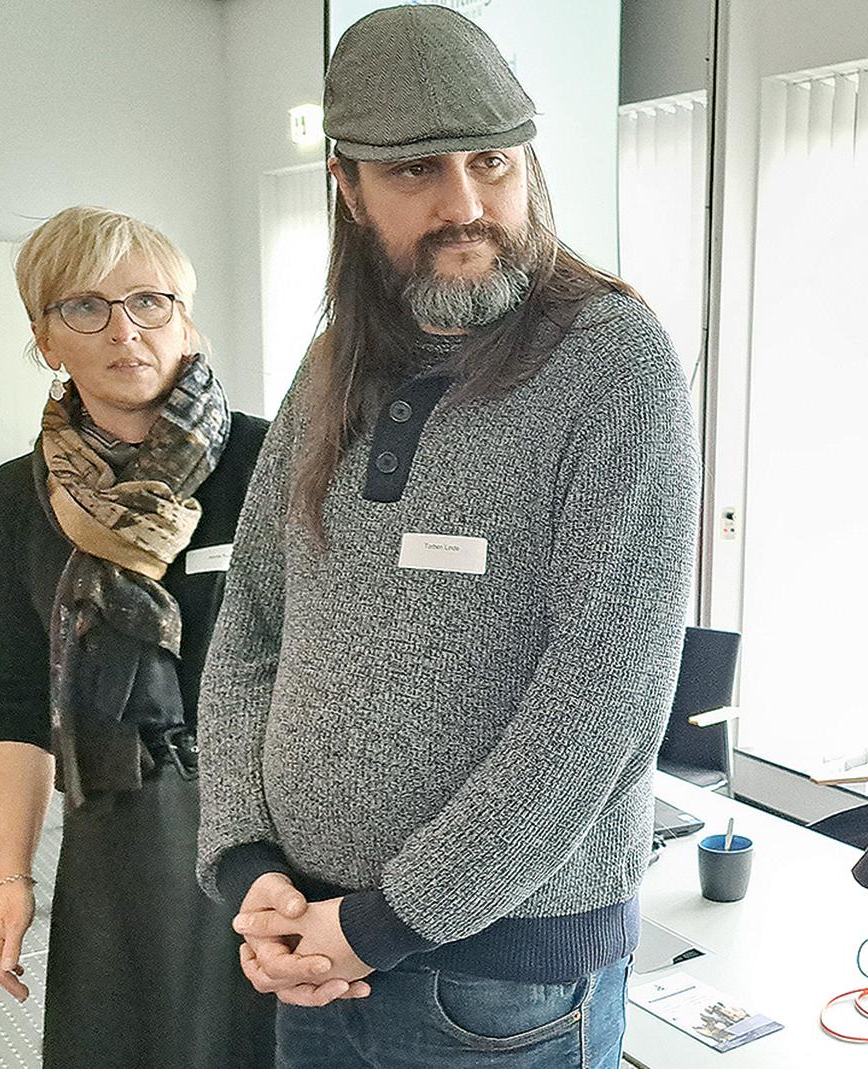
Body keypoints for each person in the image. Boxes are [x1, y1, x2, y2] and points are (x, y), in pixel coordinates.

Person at [195, 6, 698, 1067]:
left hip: (498, 984)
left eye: (491, 162)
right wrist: (250, 866)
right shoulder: (333, 365)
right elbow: (250, 633)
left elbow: (604, 697)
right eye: (416, 170)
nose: (465, 204)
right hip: (312, 944)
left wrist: (390, 918)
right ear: (348, 186)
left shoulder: (612, 362)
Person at [0, 206, 272, 1068]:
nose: (125, 330)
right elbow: (16, 699)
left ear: (186, 321)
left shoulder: (273, 463)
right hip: (113, 835)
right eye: (86, 306)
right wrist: (10, 875)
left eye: (149, 301)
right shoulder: (15, 499)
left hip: (266, 837)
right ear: (46, 339)